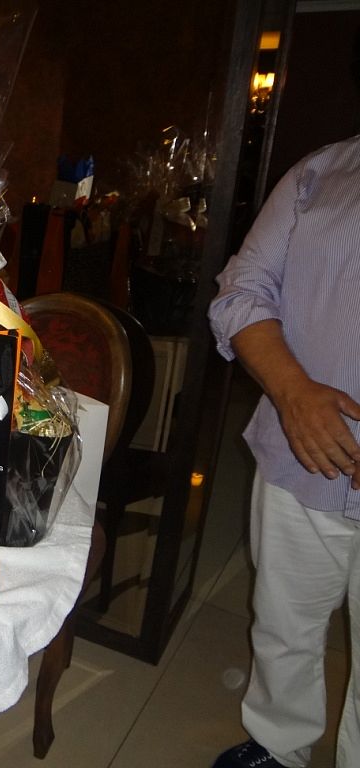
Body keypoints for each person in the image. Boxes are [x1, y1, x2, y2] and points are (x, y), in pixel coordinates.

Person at [207, 34, 360, 768]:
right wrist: (294, 393)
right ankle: (277, 748)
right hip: (301, 456)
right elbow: (241, 291)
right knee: (284, 627)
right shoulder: (321, 172)